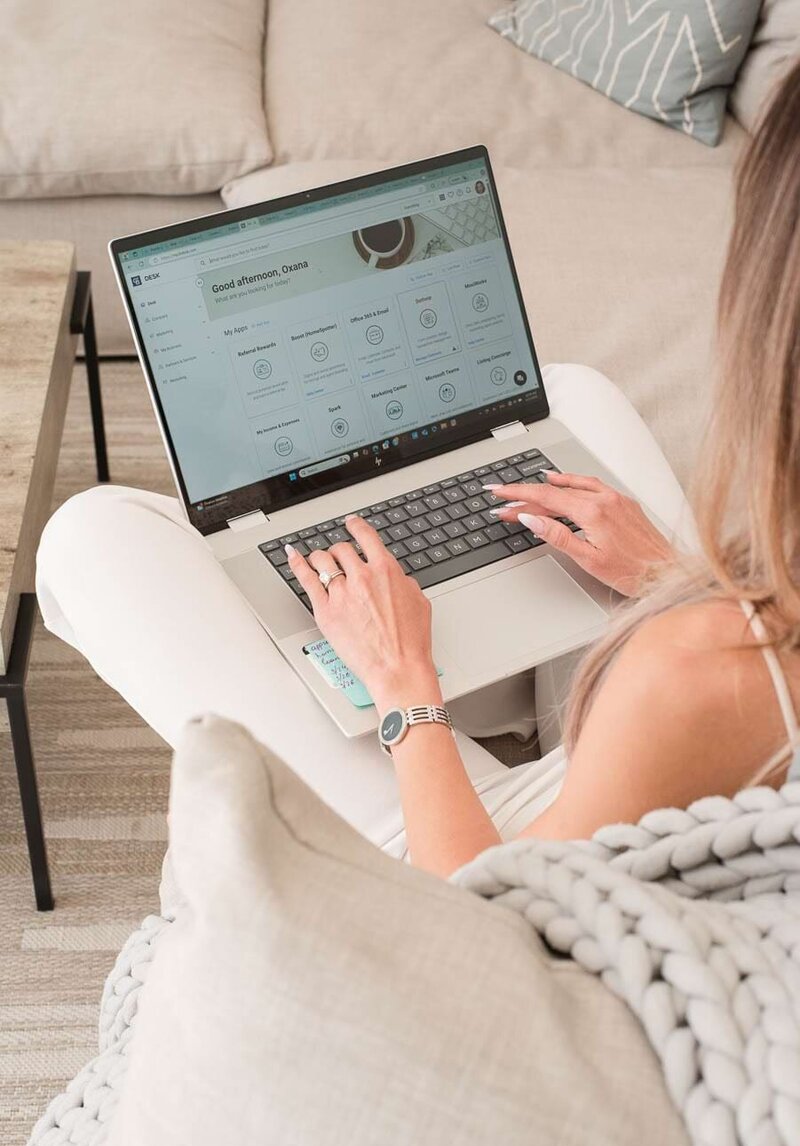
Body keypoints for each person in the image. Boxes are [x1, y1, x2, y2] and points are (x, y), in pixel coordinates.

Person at [37, 63, 800, 880]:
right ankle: (498, 697)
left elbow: (483, 911)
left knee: (90, 533)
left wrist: (406, 689)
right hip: (664, 770)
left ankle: (452, 719)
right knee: (570, 395)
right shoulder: (728, 641)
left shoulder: (692, 670)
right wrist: (666, 578)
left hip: (496, 865)